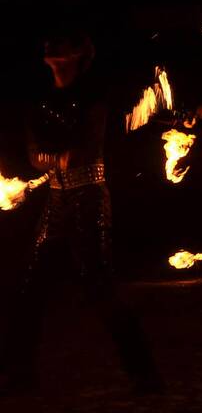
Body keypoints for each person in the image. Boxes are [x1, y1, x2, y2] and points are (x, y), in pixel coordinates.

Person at [0, 24, 163, 396]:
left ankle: (144, 374)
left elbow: (83, 150)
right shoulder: (39, 100)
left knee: (101, 288)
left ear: (79, 54)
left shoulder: (92, 98)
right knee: (29, 288)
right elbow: (35, 154)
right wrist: (53, 158)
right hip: (57, 201)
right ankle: (18, 373)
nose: (51, 46)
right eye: (48, 41)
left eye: (61, 43)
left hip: (89, 198)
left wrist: (55, 156)